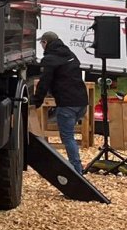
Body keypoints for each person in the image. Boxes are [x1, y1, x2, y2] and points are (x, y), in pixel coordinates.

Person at [33, 31, 89, 174]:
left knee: (68, 137)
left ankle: (77, 170)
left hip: (67, 103)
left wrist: (36, 101)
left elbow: (44, 83)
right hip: (82, 102)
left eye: (42, 43)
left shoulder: (49, 59)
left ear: (45, 43)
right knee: (69, 134)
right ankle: (76, 167)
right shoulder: (70, 54)